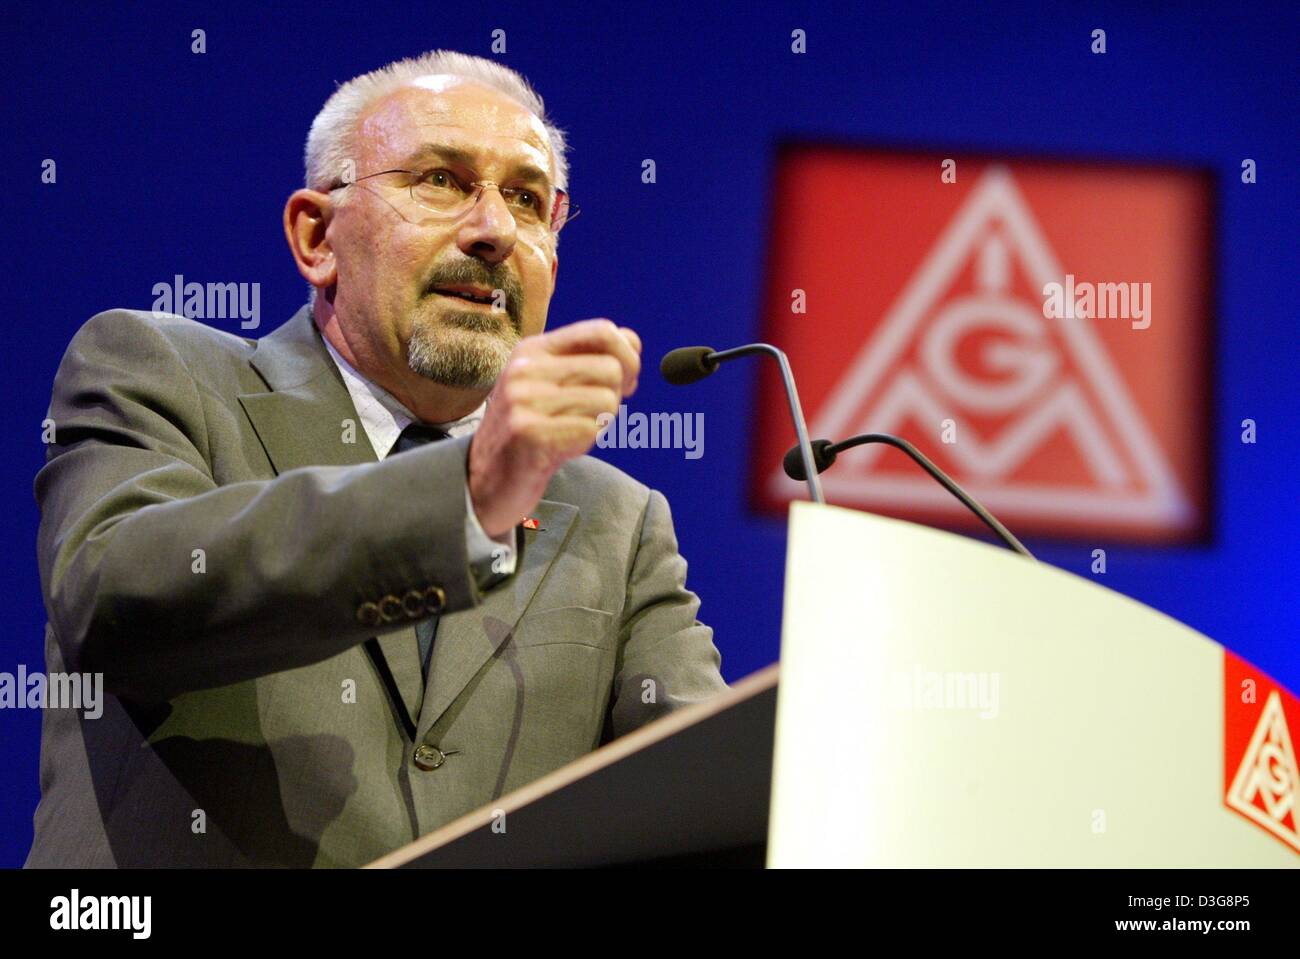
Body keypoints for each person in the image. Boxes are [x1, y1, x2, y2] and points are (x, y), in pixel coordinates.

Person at [27, 50, 726, 868]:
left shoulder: (618, 517)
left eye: (527, 200)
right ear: (316, 235)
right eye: (440, 180)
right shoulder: (159, 370)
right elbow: (115, 601)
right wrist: (463, 494)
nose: (495, 231)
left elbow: (708, 786)